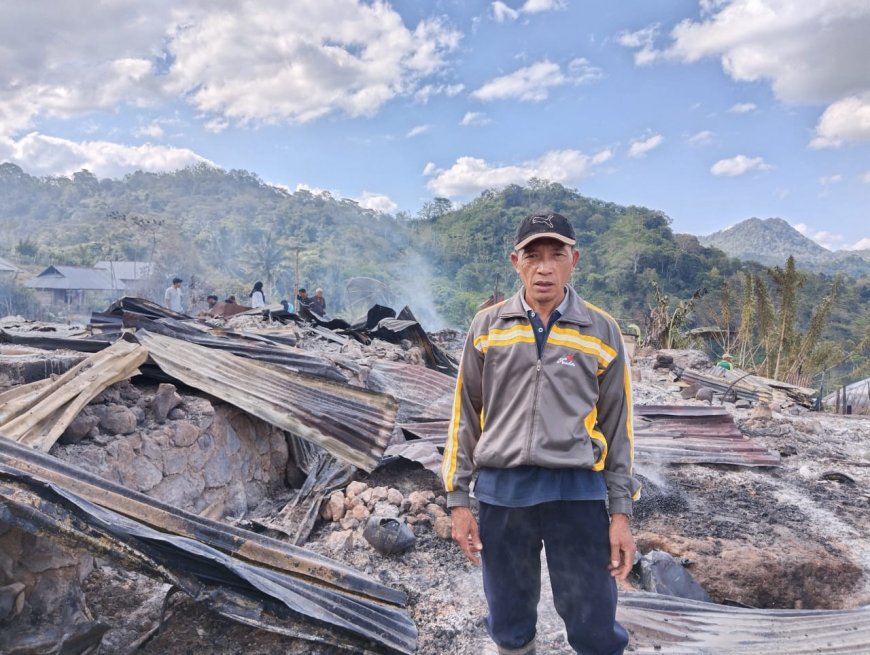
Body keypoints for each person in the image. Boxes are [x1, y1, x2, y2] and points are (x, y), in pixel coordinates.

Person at [441, 212, 639, 655]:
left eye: (556, 255)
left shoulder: (601, 330)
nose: (544, 267)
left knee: (592, 617)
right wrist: (458, 501)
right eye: (533, 255)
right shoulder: (487, 327)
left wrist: (621, 513)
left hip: (577, 492)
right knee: (509, 617)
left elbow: (617, 425)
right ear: (516, 261)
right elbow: (465, 416)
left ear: (575, 260)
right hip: (503, 492)